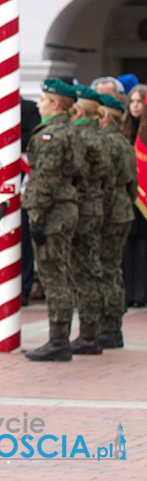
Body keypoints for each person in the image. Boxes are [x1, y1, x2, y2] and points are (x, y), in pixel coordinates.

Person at [23, 80, 83, 361]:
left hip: (52, 213)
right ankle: (59, 338)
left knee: (54, 277)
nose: (39, 104)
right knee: (61, 273)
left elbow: (45, 179)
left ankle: (58, 340)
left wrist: (37, 215)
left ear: (56, 104)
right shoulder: (72, 130)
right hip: (65, 208)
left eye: (44, 99)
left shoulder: (52, 135)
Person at [69, 85, 109, 355]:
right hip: (96, 206)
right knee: (93, 269)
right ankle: (96, 331)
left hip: (83, 209)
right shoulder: (102, 134)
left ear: (80, 110)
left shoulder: (82, 136)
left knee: (84, 273)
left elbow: (74, 173)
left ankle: (89, 334)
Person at [97, 93, 136, 348]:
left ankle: (108, 326)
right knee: (113, 269)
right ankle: (113, 327)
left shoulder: (108, 143)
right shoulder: (122, 142)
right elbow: (132, 183)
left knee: (106, 269)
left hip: (109, 211)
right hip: (122, 209)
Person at [122, 84, 147, 308]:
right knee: (127, 244)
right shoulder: (125, 131)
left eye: (140, 101)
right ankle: (128, 292)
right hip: (127, 195)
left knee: (142, 247)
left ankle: (141, 293)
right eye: (133, 101)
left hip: (144, 197)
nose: (136, 105)